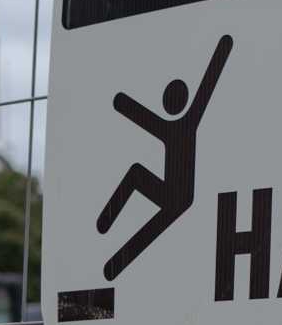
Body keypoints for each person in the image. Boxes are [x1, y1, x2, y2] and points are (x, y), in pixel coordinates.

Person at [96, 34, 234, 280]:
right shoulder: (182, 124)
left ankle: (111, 255)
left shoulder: (184, 124)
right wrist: (123, 104)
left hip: (179, 197)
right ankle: (106, 226)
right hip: (174, 194)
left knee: (148, 228)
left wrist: (223, 49)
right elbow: (202, 90)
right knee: (138, 177)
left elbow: (206, 86)